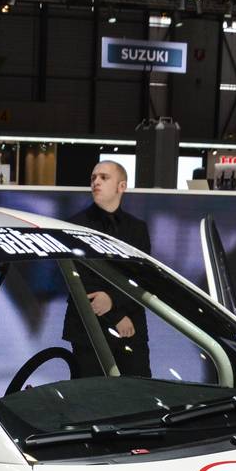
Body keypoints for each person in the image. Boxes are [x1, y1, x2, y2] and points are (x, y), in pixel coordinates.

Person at [64, 160, 152, 377]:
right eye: (93, 178)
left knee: (138, 395)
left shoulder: (138, 228)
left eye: (104, 177)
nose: (96, 182)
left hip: (130, 326)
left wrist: (114, 304)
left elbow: (143, 277)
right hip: (88, 328)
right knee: (92, 399)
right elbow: (78, 278)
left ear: (121, 186)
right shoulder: (74, 225)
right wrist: (116, 317)